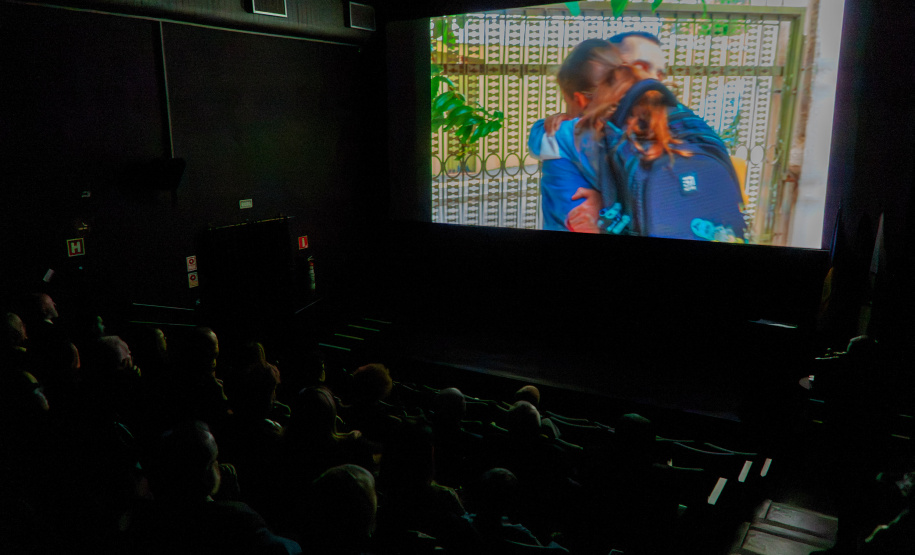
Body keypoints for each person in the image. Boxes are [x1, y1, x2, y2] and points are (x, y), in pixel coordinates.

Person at [528, 32, 668, 231]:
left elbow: (537, 143)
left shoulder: (566, 133)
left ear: (580, 99)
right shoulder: (635, 130)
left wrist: (546, 125)